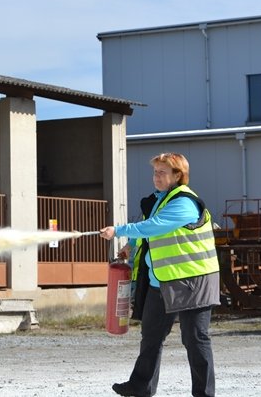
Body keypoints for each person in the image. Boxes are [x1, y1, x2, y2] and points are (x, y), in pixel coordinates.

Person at [100, 152, 219, 397]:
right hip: (162, 280)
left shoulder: (184, 202)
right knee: (151, 336)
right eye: (155, 172)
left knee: (195, 339)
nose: (156, 177)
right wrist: (131, 244)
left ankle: (204, 394)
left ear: (178, 175)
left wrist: (119, 230)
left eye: (162, 172)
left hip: (192, 281)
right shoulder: (159, 199)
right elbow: (149, 226)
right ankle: (140, 386)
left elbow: (155, 226)